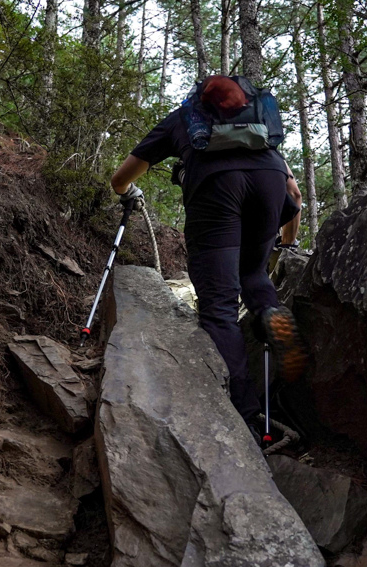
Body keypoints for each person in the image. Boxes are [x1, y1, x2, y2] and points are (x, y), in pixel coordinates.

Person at [110, 75, 307, 443]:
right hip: (268, 181)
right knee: (253, 273)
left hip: (215, 187)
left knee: (219, 308)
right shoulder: (258, 126)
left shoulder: (183, 119)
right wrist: (288, 242)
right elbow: (294, 193)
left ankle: (244, 416)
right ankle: (269, 311)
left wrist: (126, 191)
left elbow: (121, 177)